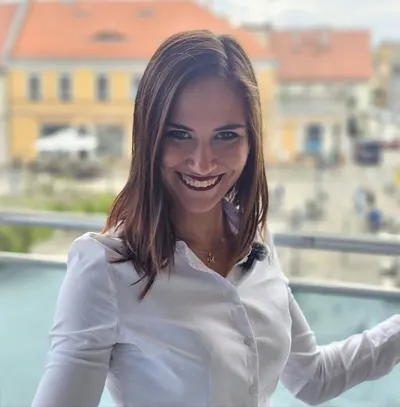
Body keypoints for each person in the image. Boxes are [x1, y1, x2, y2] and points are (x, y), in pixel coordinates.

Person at [32, 30, 400, 407]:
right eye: (179, 134)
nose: (203, 162)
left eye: (226, 136)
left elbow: (314, 377)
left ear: (251, 141)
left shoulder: (255, 240)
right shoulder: (104, 270)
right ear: (149, 137)